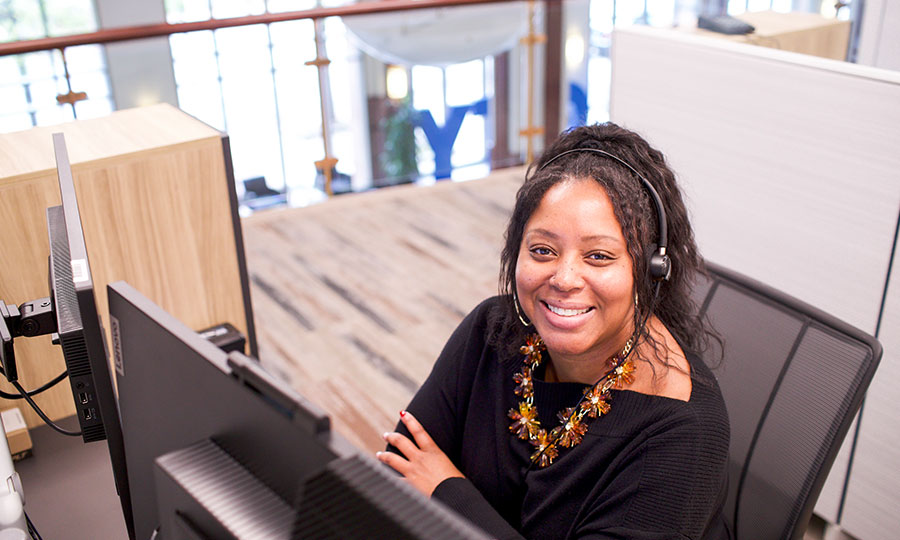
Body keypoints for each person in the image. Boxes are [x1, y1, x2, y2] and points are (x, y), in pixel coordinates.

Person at [376, 123, 730, 539]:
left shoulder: (679, 431)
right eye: (542, 250)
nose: (564, 278)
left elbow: (424, 482)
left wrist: (445, 489)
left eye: (598, 256)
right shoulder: (491, 332)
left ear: (651, 272)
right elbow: (394, 477)